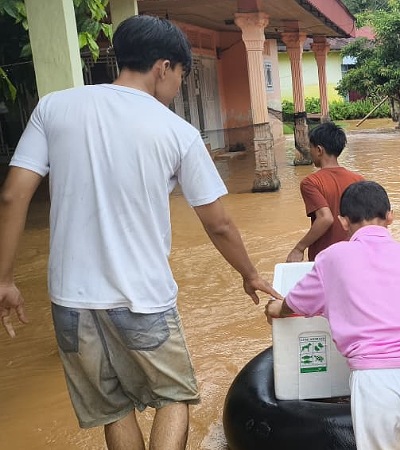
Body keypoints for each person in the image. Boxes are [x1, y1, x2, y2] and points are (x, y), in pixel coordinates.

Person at [0, 15, 282, 450]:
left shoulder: (53, 107)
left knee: (113, 408)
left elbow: (12, 197)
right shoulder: (178, 132)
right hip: (142, 297)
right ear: (164, 67)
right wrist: (249, 273)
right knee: (174, 397)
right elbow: (219, 223)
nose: (177, 88)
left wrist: (5, 279)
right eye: (182, 77)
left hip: (70, 301)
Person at [268, 180, 400, 450]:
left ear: (342, 222)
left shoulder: (331, 259)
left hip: (375, 382)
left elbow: (294, 303)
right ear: (390, 216)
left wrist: (275, 309)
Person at [286, 122, 364, 263]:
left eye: (310, 147)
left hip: (324, 259)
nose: (309, 151)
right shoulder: (359, 180)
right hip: (353, 256)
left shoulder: (311, 182)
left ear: (319, 150)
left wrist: (299, 248)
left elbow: (325, 218)